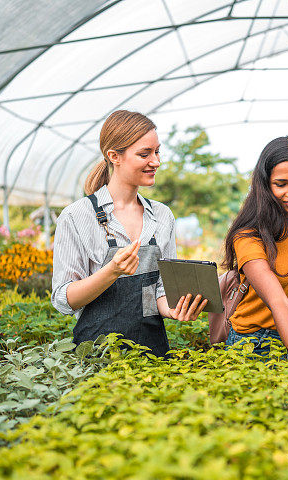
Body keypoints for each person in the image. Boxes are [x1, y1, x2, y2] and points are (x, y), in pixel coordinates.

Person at [51, 110, 206, 358]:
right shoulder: (77, 216)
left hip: (152, 354)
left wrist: (175, 309)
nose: (155, 161)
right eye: (144, 154)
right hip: (96, 357)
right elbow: (64, 299)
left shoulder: (162, 216)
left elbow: (157, 293)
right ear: (114, 156)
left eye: (157, 152)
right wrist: (111, 271)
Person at [223, 136, 288, 389]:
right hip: (254, 344)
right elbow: (277, 300)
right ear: (265, 185)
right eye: (281, 184)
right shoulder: (249, 234)